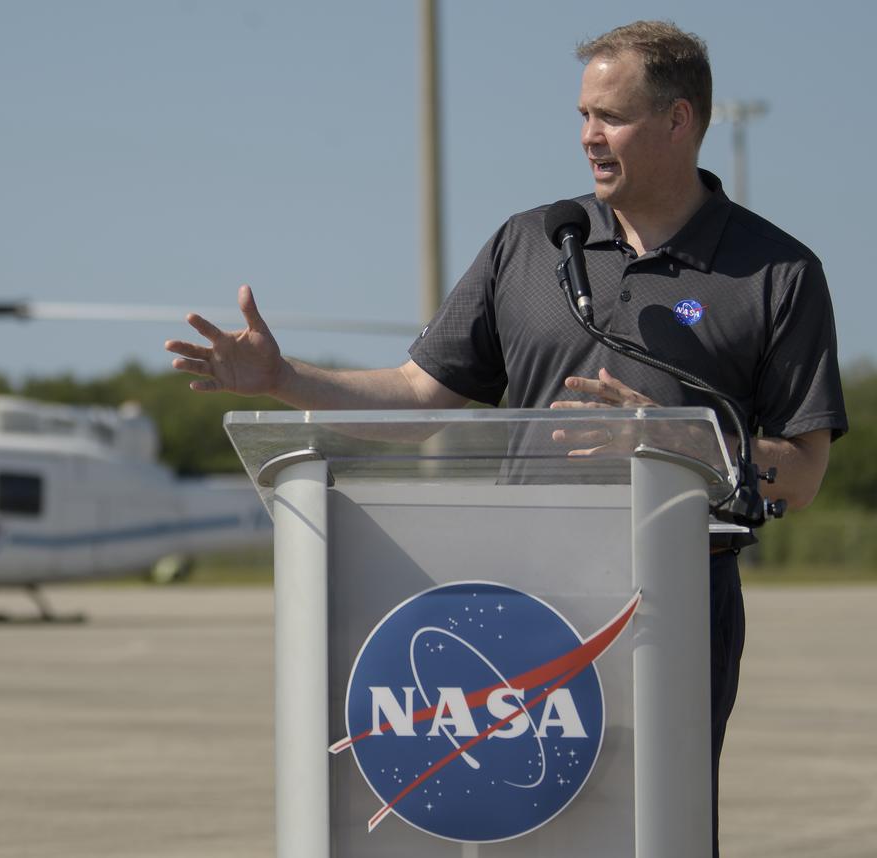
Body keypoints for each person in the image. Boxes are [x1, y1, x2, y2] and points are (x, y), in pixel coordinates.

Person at [165, 19, 847, 855]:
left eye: (612, 116)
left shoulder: (776, 272)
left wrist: (672, 443)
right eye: (583, 115)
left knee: (650, 831)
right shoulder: (534, 244)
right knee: (518, 828)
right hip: (519, 597)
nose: (590, 137)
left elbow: (804, 473)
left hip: (674, 602)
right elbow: (417, 396)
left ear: (680, 120)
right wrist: (282, 380)